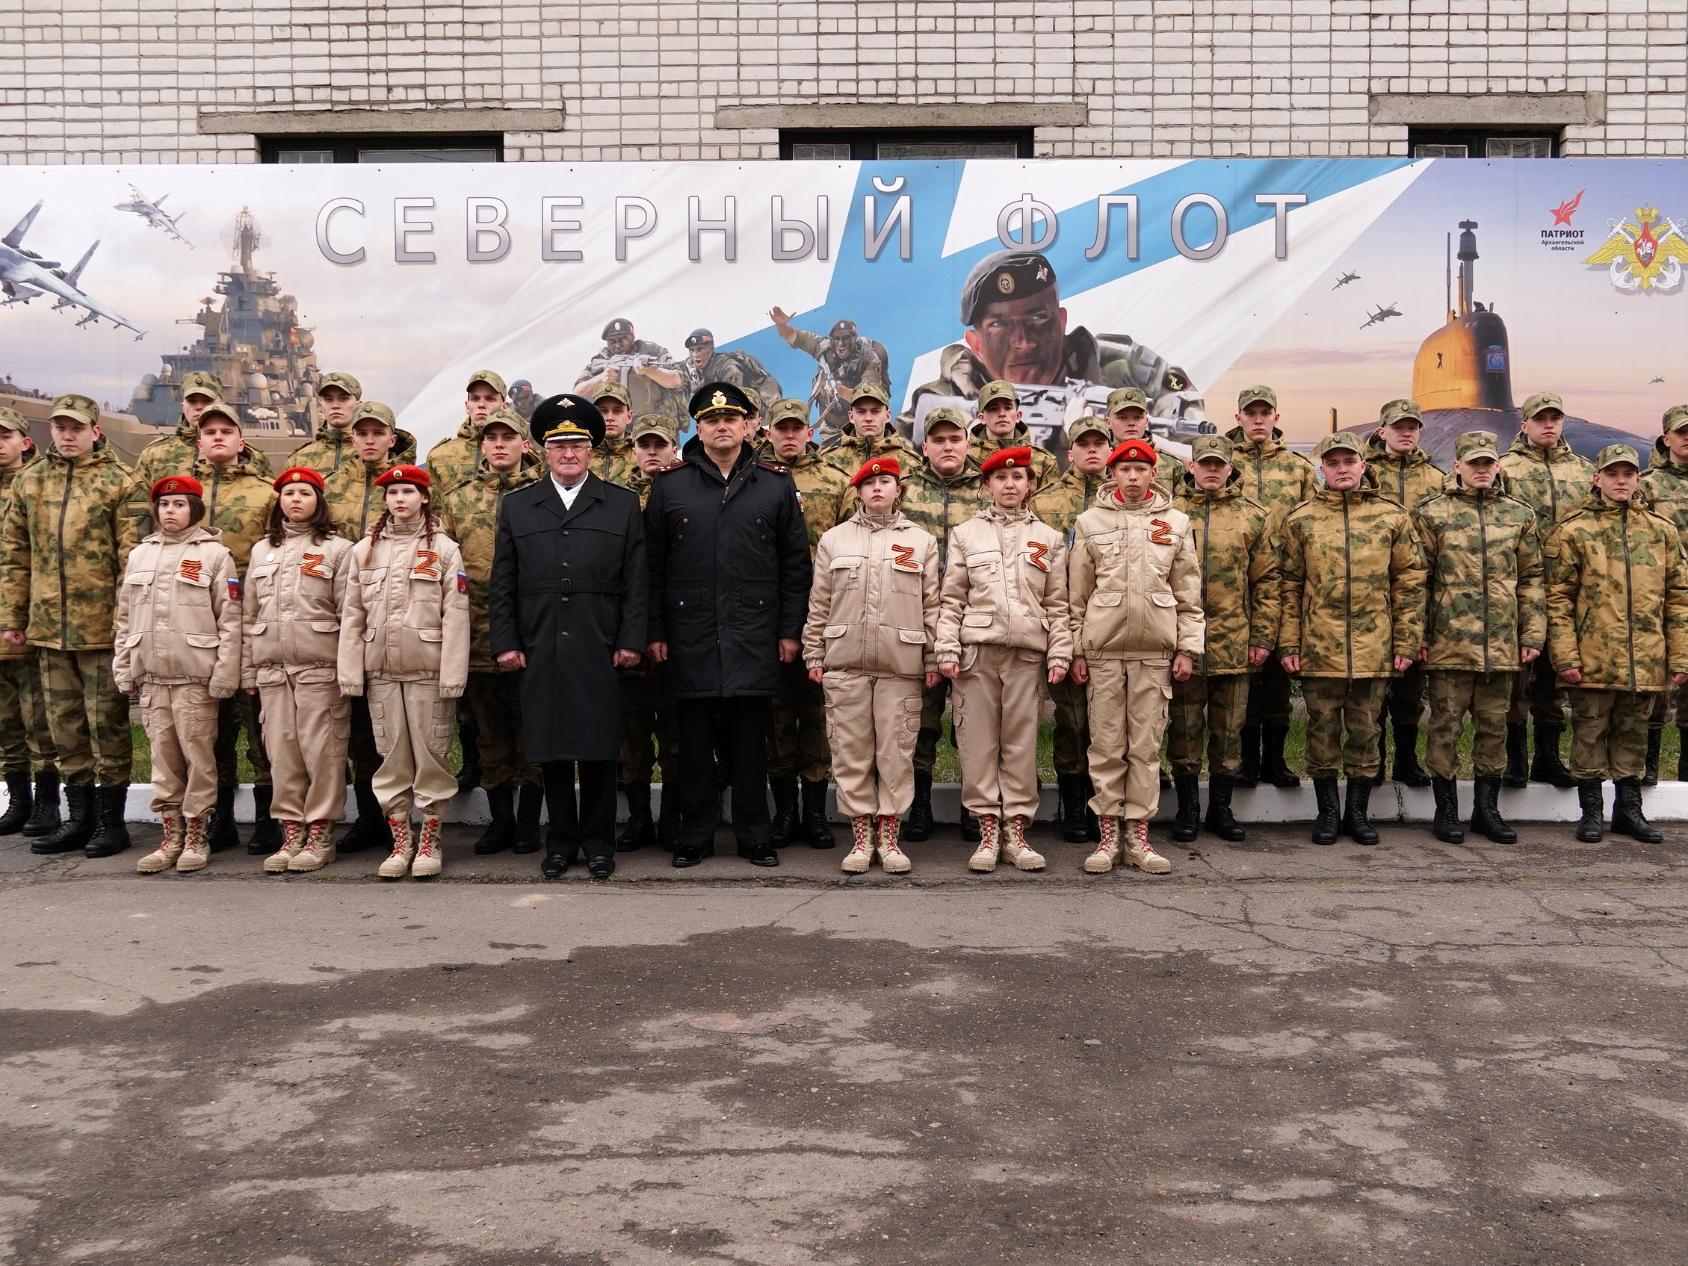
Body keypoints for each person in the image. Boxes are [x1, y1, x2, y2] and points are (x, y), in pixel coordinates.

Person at [644, 382, 810, 868]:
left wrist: (788, 631)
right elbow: (651, 567)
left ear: (747, 426)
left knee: (750, 745)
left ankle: (754, 835)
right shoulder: (671, 485)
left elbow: (794, 566)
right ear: (699, 428)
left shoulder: (776, 483)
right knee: (693, 745)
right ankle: (696, 835)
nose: (722, 427)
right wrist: (654, 632)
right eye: (712, 420)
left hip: (753, 633)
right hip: (688, 632)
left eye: (731, 419)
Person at [491, 395, 647, 878]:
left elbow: (637, 580)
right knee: (551, 746)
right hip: (540, 640)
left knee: (599, 745)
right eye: (558, 445)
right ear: (543, 450)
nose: (568, 454)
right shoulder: (518, 506)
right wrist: (507, 641)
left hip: (597, 638)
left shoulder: (620, 503)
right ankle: (560, 842)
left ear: (592, 450)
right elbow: (503, 581)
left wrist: (631, 639)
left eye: (577, 444)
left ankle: (600, 844)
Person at [0, 393, 144, 858]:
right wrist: (12, 618)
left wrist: (126, 622)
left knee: (107, 728)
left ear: (94, 432)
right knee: (64, 729)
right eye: (60, 428)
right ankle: (78, 819)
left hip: (100, 629)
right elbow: (15, 556)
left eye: (76, 428)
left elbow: (131, 560)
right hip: (47, 628)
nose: (66, 435)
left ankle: (110, 822)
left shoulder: (119, 481)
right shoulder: (30, 482)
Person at [1279, 433, 1428, 846]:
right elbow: (1288, 585)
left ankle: (1358, 814)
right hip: (1318, 645)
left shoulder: (1392, 517)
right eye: (1333, 462)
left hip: (1373, 645)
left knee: (1365, 732)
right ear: (1321, 470)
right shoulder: (1301, 520)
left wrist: (1405, 642)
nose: (1342, 468)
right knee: (1321, 731)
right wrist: (1289, 644)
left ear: (1364, 465)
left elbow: (1410, 582)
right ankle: (1327, 813)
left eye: (1350, 461)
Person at [1069, 439, 1202, 875]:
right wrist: (1077, 650)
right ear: (1112, 475)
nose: (1131, 477)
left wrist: (1186, 647)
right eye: (1123, 470)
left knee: (1144, 749)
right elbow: (1077, 596)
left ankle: (1138, 837)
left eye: (1140, 469)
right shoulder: (1089, 523)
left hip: (1154, 654)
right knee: (1106, 746)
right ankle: (1108, 836)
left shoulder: (1177, 523)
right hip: (1105, 654)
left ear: (1152, 474)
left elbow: (1188, 593)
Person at [1545, 444, 1688, 844]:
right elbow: (1557, 599)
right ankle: (1591, 813)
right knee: (1590, 735)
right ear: (1598, 479)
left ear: (1638, 478)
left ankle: (1629, 812)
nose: (1621, 480)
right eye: (1612, 474)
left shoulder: (1660, 530)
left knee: (1633, 735)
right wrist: (1565, 655)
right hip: (1593, 656)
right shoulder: (1575, 530)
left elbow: (1678, 597)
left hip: (1646, 657)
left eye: (1628, 473)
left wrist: (1678, 655)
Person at [938, 447, 1071, 873]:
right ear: (985, 486)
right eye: (1000, 478)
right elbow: (952, 597)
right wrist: (946, 648)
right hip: (977, 654)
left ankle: (1016, 832)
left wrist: (1060, 651)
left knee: (1020, 745)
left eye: (1018, 478)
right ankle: (987, 830)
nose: (1010, 485)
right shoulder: (965, 535)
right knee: (978, 745)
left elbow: (1058, 603)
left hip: (1027, 655)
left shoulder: (1048, 538)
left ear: (1029, 485)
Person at [803, 456, 939, 874]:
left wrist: (933, 655)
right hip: (845, 663)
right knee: (851, 753)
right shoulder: (835, 540)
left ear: (898, 490)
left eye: (886, 482)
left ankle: (890, 838)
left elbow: (932, 604)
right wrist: (813, 652)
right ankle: (861, 839)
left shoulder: (922, 541)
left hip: (901, 664)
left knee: (896, 753)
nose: (878, 489)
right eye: (870, 483)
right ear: (858, 492)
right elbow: (820, 603)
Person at [904, 249, 1208, 432]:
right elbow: (891, 450)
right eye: (999, 325)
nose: (1023, 342)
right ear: (975, 343)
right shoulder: (950, 393)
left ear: (1062, 320)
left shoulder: (1119, 362)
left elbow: (1182, 403)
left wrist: (1132, 441)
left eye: (1038, 318)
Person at [337, 465, 470, 880]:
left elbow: (456, 613)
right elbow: (352, 614)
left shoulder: (444, 550)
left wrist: (452, 674)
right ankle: (401, 840)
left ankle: (430, 838)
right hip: (381, 672)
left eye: (408, 492)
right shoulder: (364, 551)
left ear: (424, 498)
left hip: (428, 671)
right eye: (393, 492)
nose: (399, 499)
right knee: (391, 759)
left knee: (431, 757)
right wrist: (350, 672)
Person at [1412, 432, 1544, 845]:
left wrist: (1532, 632)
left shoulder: (1519, 515)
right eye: (1474, 463)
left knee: (1495, 730)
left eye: (1488, 462)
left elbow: (1532, 579)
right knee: (1445, 729)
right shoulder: (1432, 514)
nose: (1482, 469)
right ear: (1457, 467)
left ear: (1498, 466)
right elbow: (1417, 581)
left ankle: (1487, 810)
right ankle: (1446, 811)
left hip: (1501, 645)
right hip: (1449, 644)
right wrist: (1415, 635)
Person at [117, 476, 242, 873]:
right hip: (153, 677)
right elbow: (124, 617)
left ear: (195, 509)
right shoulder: (139, 556)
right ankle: (170, 835)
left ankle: (196, 836)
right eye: (164, 504)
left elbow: (230, 619)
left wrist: (224, 674)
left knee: (199, 759)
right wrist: (124, 666)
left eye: (179, 504)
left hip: (194, 678)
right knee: (163, 761)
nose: (170, 511)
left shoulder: (215, 555)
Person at [439, 408, 543, 859]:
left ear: (525, 444)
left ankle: (528, 824)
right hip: (478, 635)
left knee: (534, 731)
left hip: (535, 635)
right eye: (491, 438)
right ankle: (500, 821)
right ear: (481, 445)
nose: (499, 444)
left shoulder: (545, 493)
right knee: (490, 734)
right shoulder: (459, 498)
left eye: (509, 437)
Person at [241, 466, 355, 873]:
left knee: (322, 754)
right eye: (288, 493)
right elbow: (248, 613)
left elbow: (349, 614)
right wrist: (247, 670)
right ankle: (292, 833)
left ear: (318, 501)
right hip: (273, 671)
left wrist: (348, 671)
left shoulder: (338, 550)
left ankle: (321, 835)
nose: (295, 500)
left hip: (319, 669)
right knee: (283, 754)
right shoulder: (261, 551)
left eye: (305, 493)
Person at [1166, 435, 1280, 842]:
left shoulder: (1254, 516)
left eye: (1219, 464)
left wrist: (1263, 636)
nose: (1212, 470)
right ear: (1191, 467)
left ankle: (1220, 809)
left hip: (1235, 641)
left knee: (1229, 730)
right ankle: (1187, 810)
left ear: (1230, 468)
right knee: (1183, 728)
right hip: (1183, 643)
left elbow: (1267, 581)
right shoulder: (1170, 513)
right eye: (1204, 463)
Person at [183, 400, 280, 855]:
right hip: (196, 624)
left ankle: (267, 819)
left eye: (226, 431)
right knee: (209, 728)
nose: (217, 437)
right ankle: (218, 819)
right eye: (209, 431)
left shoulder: (266, 493)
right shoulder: (182, 494)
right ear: (198, 441)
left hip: (252, 623)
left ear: (241, 442)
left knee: (260, 725)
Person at [323, 400, 417, 855]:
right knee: (358, 728)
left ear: (391, 437)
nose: (368, 439)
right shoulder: (332, 485)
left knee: (394, 726)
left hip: (397, 618)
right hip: (344, 615)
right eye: (361, 433)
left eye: (377, 432)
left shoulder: (410, 484)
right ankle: (370, 817)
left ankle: (401, 818)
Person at [895, 406, 985, 843]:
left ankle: (974, 807)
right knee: (922, 721)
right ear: (924, 446)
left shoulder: (986, 490)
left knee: (973, 721)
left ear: (968, 443)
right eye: (939, 440)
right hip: (918, 621)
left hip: (975, 624)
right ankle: (921, 807)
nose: (948, 447)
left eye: (956, 439)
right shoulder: (906, 491)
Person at [762, 396, 848, 848]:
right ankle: (784, 814)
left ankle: (814, 813)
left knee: (815, 716)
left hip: (823, 616)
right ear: (768, 433)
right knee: (776, 718)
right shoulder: (751, 477)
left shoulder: (835, 481)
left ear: (809, 432)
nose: (791, 435)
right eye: (783, 428)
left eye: (798, 428)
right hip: (767, 617)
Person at [1498, 392, 1593, 790]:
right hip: (1520, 587)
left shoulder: (1584, 470)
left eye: (1555, 417)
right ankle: (1515, 760)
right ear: (1525, 424)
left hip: (1568, 591)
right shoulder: (1506, 468)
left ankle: (1548, 759)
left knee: (1555, 680)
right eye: (1540, 418)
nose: (1548, 424)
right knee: (1517, 679)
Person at [1226, 385, 1316, 789]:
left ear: (1277, 418)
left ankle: (1275, 760)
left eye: (1266, 412)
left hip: (1285, 584)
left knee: (1279, 673)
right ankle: (1245, 760)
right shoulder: (1223, 461)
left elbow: (1313, 520)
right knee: (1245, 672)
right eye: (1251, 413)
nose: (1258, 419)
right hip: (1236, 586)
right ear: (1239, 417)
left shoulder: (1297, 468)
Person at [1030, 413, 1112, 843]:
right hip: (1061, 622)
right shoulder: (1044, 502)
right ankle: (1074, 805)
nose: (1092, 449)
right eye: (1084, 443)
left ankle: (1109, 805)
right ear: (1071, 451)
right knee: (1073, 719)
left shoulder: (1127, 499)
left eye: (1100, 442)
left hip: (1114, 627)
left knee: (1111, 722)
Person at [1365, 398, 1446, 788]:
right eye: (1398, 426)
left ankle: (1407, 759)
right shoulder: (1365, 473)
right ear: (1383, 431)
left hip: (1421, 588)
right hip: (1374, 589)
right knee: (1378, 680)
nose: (1406, 432)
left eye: (1412, 426)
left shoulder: (1435, 478)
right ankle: (1374, 758)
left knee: (1411, 685)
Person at [615, 413, 684, 853]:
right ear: (634, 450)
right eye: (645, 444)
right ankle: (639, 817)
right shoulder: (616, 498)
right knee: (630, 735)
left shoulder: (685, 490)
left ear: (674, 447)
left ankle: (674, 820)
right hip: (626, 630)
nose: (653, 452)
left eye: (661, 444)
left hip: (676, 631)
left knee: (677, 737)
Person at [0, 407, 59, 840]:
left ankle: (46, 804)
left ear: (25, 440)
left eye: (6, 436)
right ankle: (17, 800)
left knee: (38, 714)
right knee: (4, 719)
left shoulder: (38, 484)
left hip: (27, 615)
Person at [1640, 402, 1688, 782]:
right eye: (1682, 431)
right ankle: (1648, 767)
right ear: (1666, 438)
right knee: (1657, 687)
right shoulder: (1649, 485)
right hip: (1664, 598)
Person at [136, 371, 275, 490]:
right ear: (182, 405)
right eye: (192, 401)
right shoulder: (154, 455)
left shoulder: (251, 457)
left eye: (207, 401)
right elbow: (140, 507)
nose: (199, 407)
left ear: (220, 404)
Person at [768, 310, 888, 441]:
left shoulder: (868, 358)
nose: (841, 344)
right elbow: (793, 336)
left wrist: (842, 392)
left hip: (861, 427)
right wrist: (781, 325)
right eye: (837, 339)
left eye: (846, 338)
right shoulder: (824, 347)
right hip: (830, 426)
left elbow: (871, 398)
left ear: (854, 339)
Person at [575, 318, 685, 427]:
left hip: (653, 426)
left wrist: (650, 371)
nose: (618, 345)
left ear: (632, 338)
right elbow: (577, 394)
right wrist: (601, 378)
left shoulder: (652, 351)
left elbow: (676, 381)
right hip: (616, 429)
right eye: (612, 341)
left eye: (623, 339)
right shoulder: (603, 358)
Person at [426, 369, 507, 497]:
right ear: (467, 406)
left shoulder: (523, 452)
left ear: (504, 406)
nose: (481, 404)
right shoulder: (440, 456)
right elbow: (432, 510)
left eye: (490, 399)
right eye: (475, 399)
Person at [967, 380, 1061, 488]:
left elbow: (1053, 502)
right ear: (981, 418)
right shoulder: (967, 459)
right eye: (993, 409)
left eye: (1008, 408)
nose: (1002, 414)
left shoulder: (1043, 461)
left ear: (1018, 416)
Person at [819, 382, 919, 479]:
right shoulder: (828, 462)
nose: (868, 418)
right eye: (861, 412)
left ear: (887, 416)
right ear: (851, 417)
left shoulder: (911, 463)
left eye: (875, 411)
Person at [1106, 387, 1185, 491]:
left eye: (1137, 417)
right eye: (1122, 418)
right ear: (1108, 422)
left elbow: (1182, 504)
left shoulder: (1172, 465)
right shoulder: (1097, 460)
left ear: (1146, 421)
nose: (1131, 423)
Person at [289, 372, 365, 477]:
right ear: (321, 405)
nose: (335, 405)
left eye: (344, 398)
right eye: (328, 399)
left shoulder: (375, 453)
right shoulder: (299, 459)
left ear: (358, 405)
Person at [680, 328, 782, 403]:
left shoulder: (727, 367)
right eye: (691, 350)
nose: (695, 354)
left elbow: (732, 398)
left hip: (766, 395)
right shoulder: (691, 367)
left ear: (711, 347)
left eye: (700, 349)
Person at [588, 382, 637, 488]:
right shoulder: (580, 453)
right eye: (603, 411)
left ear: (629, 416)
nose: (610, 417)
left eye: (617, 411)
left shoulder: (641, 454)